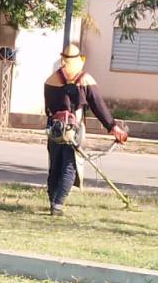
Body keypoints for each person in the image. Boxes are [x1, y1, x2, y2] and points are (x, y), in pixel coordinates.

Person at [43, 43, 128, 216]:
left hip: (54, 130)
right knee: (69, 167)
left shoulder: (51, 80)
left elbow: (48, 109)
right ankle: (57, 206)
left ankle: (53, 202)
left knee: (55, 167)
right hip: (73, 132)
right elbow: (99, 107)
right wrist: (113, 127)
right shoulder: (85, 79)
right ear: (79, 59)